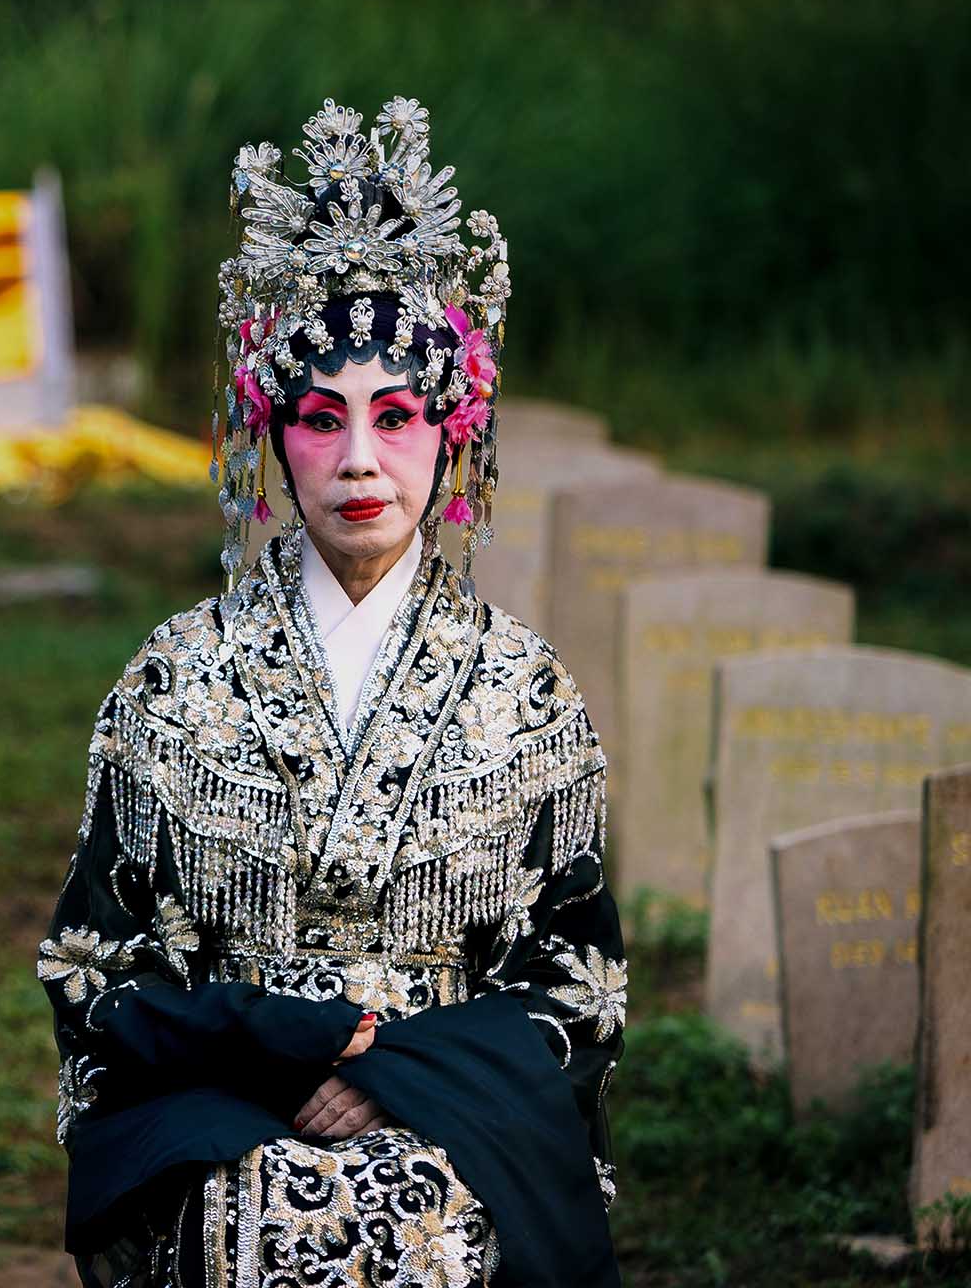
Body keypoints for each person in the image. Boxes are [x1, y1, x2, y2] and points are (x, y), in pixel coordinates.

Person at [39, 98, 625, 1288]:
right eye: (322, 417)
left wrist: (392, 1080)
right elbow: (94, 965)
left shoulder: (527, 690)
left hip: (463, 1113)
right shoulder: (173, 678)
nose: (361, 459)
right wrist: (272, 1058)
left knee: (432, 1222)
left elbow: (577, 983)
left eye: (398, 416)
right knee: (253, 1214)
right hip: (224, 1109)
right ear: (270, 439)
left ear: (455, 439)